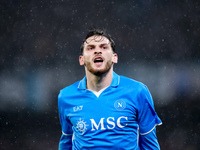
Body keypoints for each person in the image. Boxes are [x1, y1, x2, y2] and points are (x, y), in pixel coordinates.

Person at [58, 28, 162, 150]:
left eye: (104, 47)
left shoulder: (137, 92)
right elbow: (66, 143)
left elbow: (150, 145)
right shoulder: (66, 97)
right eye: (91, 48)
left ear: (114, 57)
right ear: (82, 60)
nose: (97, 51)